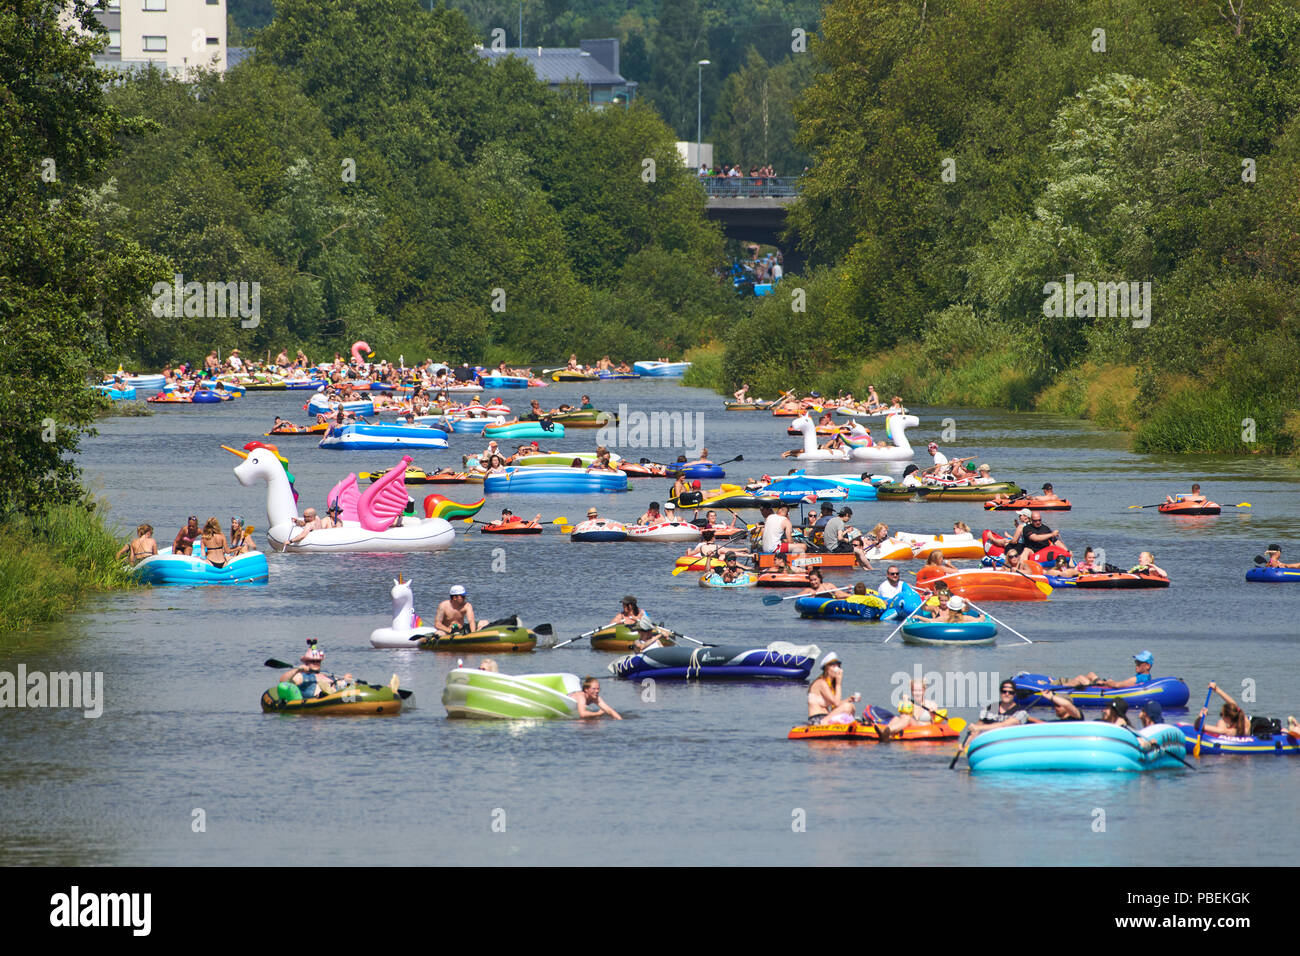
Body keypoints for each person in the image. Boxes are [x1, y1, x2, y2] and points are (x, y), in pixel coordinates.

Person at [279, 640, 352, 699]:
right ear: (306, 662)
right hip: (316, 699)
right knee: (323, 687)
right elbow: (283, 681)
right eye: (312, 661)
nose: (316, 663)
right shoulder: (301, 676)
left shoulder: (326, 674)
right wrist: (297, 670)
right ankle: (325, 693)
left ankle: (331, 693)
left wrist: (346, 680)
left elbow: (340, 684)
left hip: (334, 697)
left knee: (339, 682)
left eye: (318, 661)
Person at [876, 679, 945, 738]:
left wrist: (932, 713)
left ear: (924, 691)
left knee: (908, 718)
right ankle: (886, 732)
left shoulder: (931, 704)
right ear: (911, 691)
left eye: (919, 690)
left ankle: (887, 731)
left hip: (923, 727)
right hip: (912, 726)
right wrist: (905, 701)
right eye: (914, 690)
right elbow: (902, 716)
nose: (917, 693)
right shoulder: (909, 704)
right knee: (896, 718)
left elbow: (933, 722)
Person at [966, 679, 1032, 738]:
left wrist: (978, 727)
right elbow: (976, 731)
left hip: (1010, 743)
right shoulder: (993, 707)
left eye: (1010, 692)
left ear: (1014, 694)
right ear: (1000, 693)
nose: (1007, 694)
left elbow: (1004, 725)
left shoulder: (1021, 711)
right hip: (989, 743)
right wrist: (965, 746)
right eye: (1004, 691)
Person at [806, 652, 860, 724]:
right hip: (817, 719)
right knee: (848, 707)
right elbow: (836, 703)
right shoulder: (821, 683)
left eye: (837, 666)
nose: (836, 669)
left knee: (852, 706)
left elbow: (834, 704)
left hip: (826, 716)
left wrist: (849, 699)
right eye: (833, 666)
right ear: (827, 669)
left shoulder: (830, 685)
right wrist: (838, 683)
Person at [1058, 650, 1156, 689]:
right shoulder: (1145, 677)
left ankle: (1059, 688)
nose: (1136, 665)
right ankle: (1064, 683)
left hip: (1108, 689)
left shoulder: (1139, 678)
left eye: (1139, 663)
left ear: (1147, 666)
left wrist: (1109, 682)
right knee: (1091, 674)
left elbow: (1117, 685)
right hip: (1107, 685)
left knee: (1080, 678)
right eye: (1136, 662)